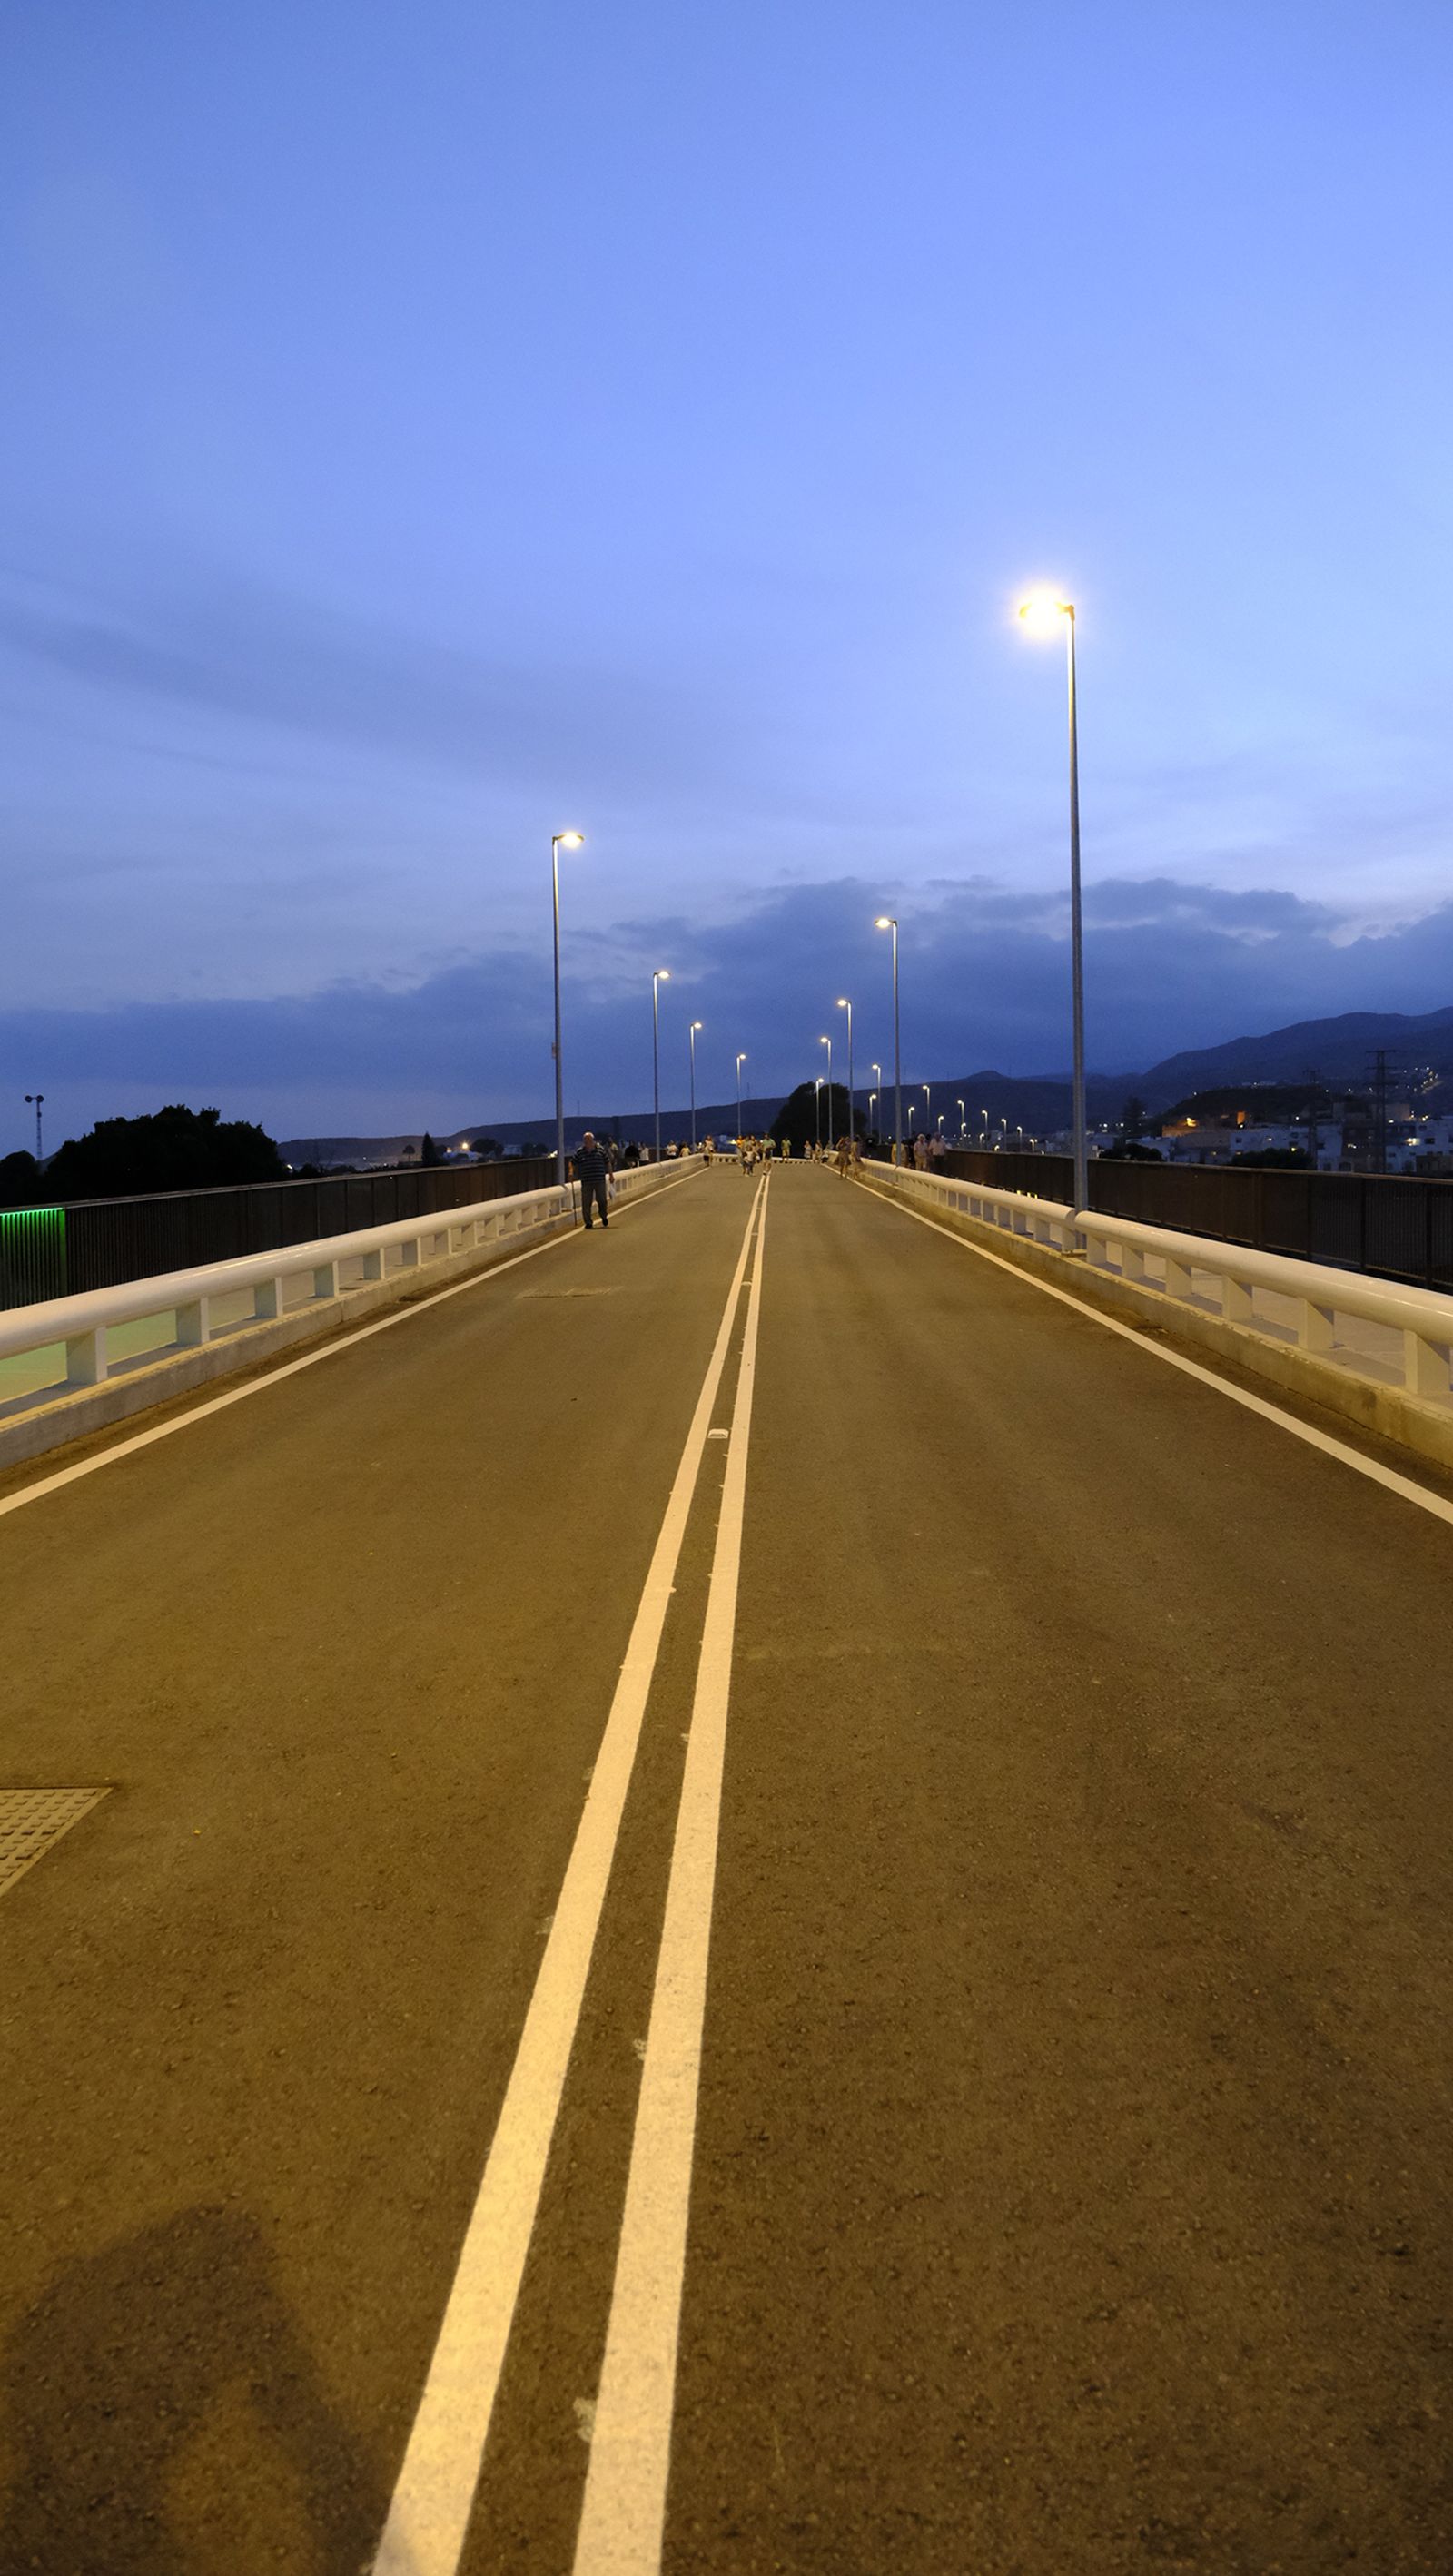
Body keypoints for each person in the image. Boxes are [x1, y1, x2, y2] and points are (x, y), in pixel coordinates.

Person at [570, 1130, 610, 1229]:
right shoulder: (580, 1152)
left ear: (593, 1140)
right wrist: (571, 1172)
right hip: (586, 1181)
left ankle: (603, 1216)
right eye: (585, 1139)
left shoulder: (600, 1150)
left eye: (588, 1139)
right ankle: (588, 1222)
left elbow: (607, 1162)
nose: (586, 1141)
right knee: (586, 1202)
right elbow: (572, 1162)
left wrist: (611, 1174)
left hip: (599, 1179)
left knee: (602, 1200)